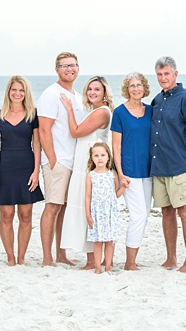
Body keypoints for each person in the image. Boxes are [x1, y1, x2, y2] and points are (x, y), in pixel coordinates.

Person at [149, 56, 186, 273]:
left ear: (175, 74)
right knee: (166, 212)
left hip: (180, 166)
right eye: (160, 75)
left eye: (167, 74)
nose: (163, 78)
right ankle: (171, 258)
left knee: (185, 211)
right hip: (159, 166)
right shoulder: (157, 101)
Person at [59, 76, 113, 269]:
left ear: (104, 92)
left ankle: (94, 261)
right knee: (87, 209)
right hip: (85, 164)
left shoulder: (102, 113)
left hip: (90, 166)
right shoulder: (95, 111)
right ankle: (93, 259)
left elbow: (75, 132)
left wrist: (68, 109)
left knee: (91, 209)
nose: (92, 92)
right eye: (90, 89)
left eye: (97, 89)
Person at [37, 52, 85, 266]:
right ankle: (47, 258)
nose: (69, 69)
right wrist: (53, 160)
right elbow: (44, 130)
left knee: (64, 208)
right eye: (64, 66)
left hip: (74, 161)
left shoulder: (76, 96)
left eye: (73, 65)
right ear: (56, 69)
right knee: (53, 207)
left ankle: (61, 254)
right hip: (58, 161)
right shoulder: (51, 94)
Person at [0, 75, 44, 266]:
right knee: (6, 215)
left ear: (26, 93)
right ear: (8, 92)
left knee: (25, 214)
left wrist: (36, 171)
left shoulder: (33, 114)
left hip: (26, 167)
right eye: (14, 90)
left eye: (21, 90)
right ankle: (10, 258)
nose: (17, 93)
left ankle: (22, 258)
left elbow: (37, 145)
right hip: (5, 168)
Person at [111, 72, 153, 271]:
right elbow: (116, 147)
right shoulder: (119, 113)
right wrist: (120, 173)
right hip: (129, 171)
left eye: (139, 85)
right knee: (138, 215)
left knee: (144, 215)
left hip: (150, 171)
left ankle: (133, 257)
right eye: (131, 86)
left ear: (144, 88)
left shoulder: (152, 111)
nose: (135, 89)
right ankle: (130, 262)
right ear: (126, 89)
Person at [84, 142, 125, 274]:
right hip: (96, 213)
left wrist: (124, 187)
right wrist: (88, 214)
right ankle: (97, 268)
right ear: (92, 158)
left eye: (103, 155)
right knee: (97, 241)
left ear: (108, 157)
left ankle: (108, 267)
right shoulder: (91, 175)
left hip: (110, 213)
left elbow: (115, 194)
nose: (100, 158)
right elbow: (87, 196)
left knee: (109, 241)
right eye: (96, 155)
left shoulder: (112, 174)